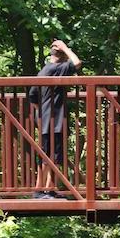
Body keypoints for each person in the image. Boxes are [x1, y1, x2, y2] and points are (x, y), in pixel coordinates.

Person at [33, 39, 82, 199]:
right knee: (52, 156)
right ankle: (43, 190)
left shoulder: (44, 70)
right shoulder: (57, 68)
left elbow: (32, 96)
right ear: (61, 55)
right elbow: (77, 63)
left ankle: (45, 189)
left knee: (47, 155)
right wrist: (66, 48)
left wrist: (41, 113)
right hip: (55, 119)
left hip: (45, 119)